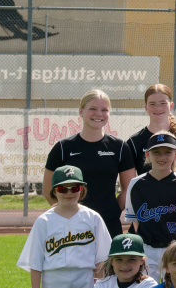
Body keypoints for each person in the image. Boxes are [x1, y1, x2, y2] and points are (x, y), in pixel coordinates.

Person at [43, 89, 136, 240]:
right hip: (72, 225)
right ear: (81, 111)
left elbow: (129, 188)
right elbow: (48, 190)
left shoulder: (119, 147)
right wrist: (66, 213)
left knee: (108, 264)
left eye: (104, 110)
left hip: (108, 224)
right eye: (93, 108)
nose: (99, 114)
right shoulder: (63, 147)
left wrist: (111, 211)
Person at [122, 131, 176, 269]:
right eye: (156, 152)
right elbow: (136, 221)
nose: (162, 157)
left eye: (167, 152)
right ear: (147, 155)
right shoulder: (136, 183)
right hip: (147, 248)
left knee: (174, 287)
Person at [127, 84, 176, 176]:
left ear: (171, 106)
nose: (158, 108)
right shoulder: (134, 142)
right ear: (146, 108)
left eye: (163, 103)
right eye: (152, 104)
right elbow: (130, 183)